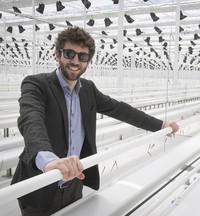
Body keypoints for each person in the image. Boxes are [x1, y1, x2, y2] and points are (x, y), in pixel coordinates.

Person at [11, 26, 179, 216]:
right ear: (57, 55)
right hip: (39, 186)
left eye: (82, 57)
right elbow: (31, 119)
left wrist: (160, 125)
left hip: (74, 181)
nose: (75, 61)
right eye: (69, 53)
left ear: (88, 62)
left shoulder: (88, 90)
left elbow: (121, 109)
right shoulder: (36, 84)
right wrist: (48, 160)